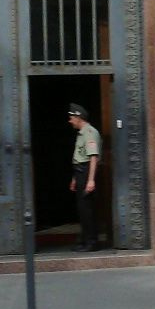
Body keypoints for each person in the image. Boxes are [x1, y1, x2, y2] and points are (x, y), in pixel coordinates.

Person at [68, 103, 103, 251]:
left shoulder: (89, 132)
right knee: (83, 209)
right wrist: (75, 178)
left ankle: (91, 242)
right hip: (81, 172)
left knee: (87, 210)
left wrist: (90, 180)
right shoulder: (82, 132)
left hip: (87, 171)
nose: (70, 121)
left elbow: (93, 158)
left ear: (79, 117)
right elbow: (79, 158)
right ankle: (85, 239)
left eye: (71, 118)